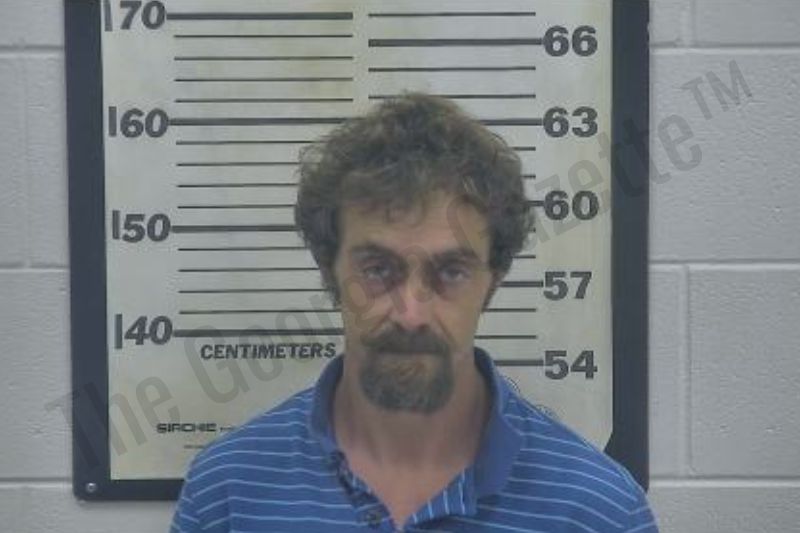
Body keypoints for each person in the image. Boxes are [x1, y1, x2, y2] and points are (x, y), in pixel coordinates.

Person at [170, 92, 659, 532]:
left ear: (493, 281)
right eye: (377, 269)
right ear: (329, 269)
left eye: (450, 271)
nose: (410, 314)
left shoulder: (599, 512)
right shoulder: (227, 494)